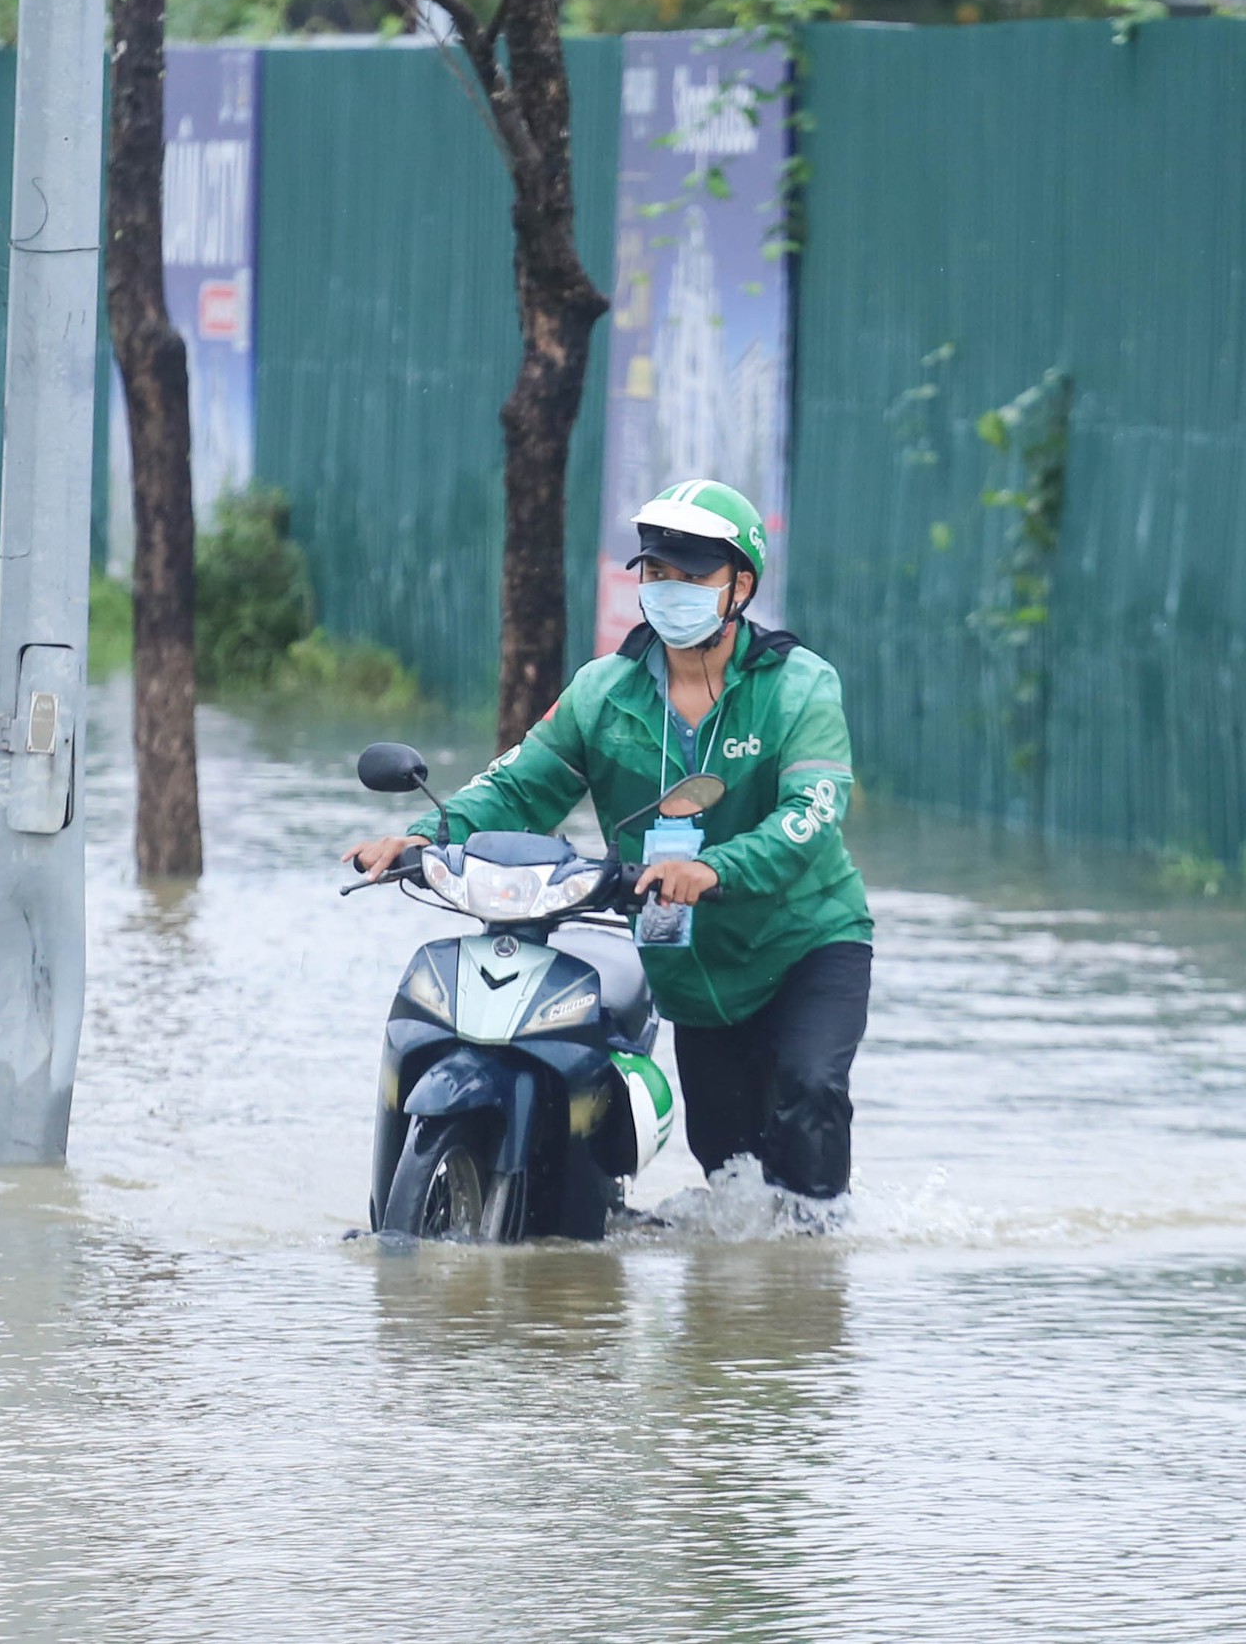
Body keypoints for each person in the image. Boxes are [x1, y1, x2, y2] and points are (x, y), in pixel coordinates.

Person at [343, 480, 874, 1204]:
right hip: (688, 962)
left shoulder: (798, 687)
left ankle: (813, 1293)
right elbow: (518, 786)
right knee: (728, 1173)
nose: (668, 588)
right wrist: (423, 836)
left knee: (809, 1099)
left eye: (692, 575)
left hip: (806, 944)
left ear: (740, 585)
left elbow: (810, 815)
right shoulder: (604, 691)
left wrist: (711, 868)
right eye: (656, 572)